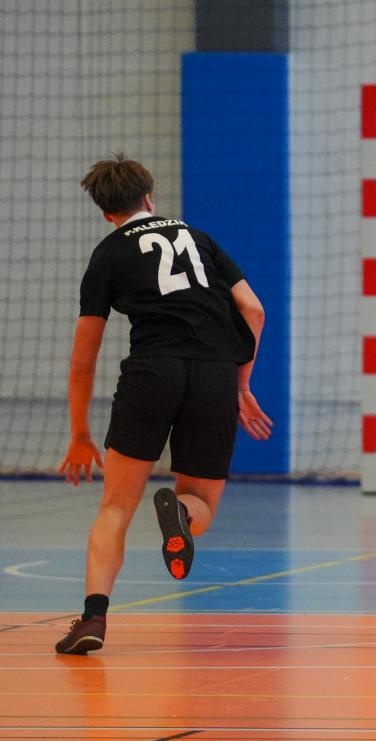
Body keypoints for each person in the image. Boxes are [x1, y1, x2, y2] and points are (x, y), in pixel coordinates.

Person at [55, 155, 273, 655]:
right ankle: (181, 513)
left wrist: (80, 434)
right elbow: (254, 309)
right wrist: (241, 385)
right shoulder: (200, 238)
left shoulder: (108, 253)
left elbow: (83, 361)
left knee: (116, 506)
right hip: (215, 373)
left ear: (106, 212)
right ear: (149, 198)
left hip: (152, 372)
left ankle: (93, 618)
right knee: (203, 502)